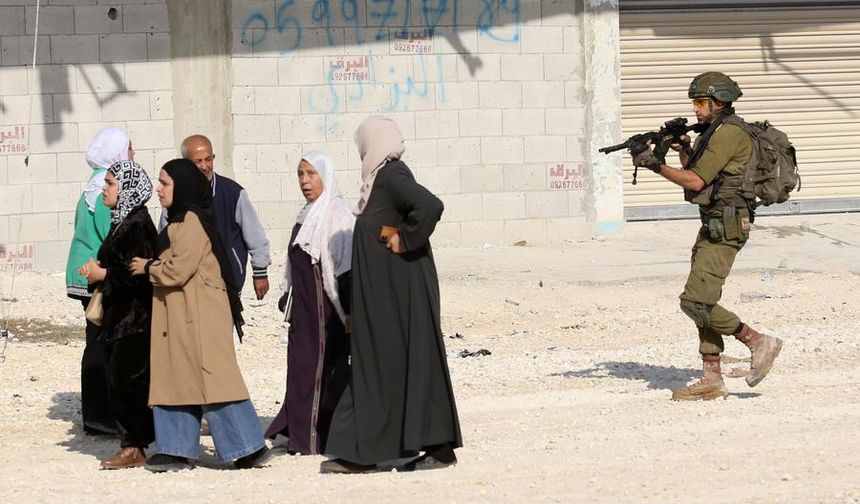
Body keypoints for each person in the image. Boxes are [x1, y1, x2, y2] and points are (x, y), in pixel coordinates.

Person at [630, 71, 784, 401]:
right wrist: (684, 148)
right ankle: (712, 376)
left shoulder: (728, 133)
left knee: (695, 302)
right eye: (694, 103)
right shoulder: (714, 132)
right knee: (704, 299)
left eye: (700, 103)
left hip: (726, 227)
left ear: (718, 102)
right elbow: (697, 170)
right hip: (713, 223)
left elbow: (696, 182)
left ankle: (757, 340)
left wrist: (655, 166)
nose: (696, 110)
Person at [321, 116, 462, 474]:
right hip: (391, 290)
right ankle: (437, 446)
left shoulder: (391, 175)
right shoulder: (379, 180)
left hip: (401, 290)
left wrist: (404, 239)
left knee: (380, 360)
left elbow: (430, 205)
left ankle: (361, 452)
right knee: (404, 359)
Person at [129, 159, 271, 472]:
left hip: (200, 317)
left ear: (182, 186)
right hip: (182, 316)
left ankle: (248, 447)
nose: (159, 189)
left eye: (165, 183)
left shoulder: (191, 221)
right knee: (175, 378)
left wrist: (148, 267)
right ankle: (176, 449)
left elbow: (178, 269)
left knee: (215, 381)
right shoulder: (178, 220)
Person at [265, 151, 354, 455]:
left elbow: (344, 266)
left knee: (316, 369)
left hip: (324, 312)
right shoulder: (307, 213)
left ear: (325, 176)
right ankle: (296, 428)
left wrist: (349, 309)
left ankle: (312, 439)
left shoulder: (337, 213)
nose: (304, 181)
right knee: (298, 369)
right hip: (302, 310)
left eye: (311, 173)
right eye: (300, 174)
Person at [78, 160, 156, 469]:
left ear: (126, 189)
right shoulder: (122, 220)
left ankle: (134, 445)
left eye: (111, 183)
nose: (105, 189)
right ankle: (131, 442)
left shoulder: (137, 226)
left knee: (129, 381)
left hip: (134, 320)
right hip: (119, 317)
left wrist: (102, 274)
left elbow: (137, 275)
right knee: (118, 378)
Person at [65, 126, 134, 436]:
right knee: (101, 343)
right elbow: (112, 236)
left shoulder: (93, 184)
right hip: (94, 275)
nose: (133, 154)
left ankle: (99, 415)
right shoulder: (107, 186)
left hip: (86, 272)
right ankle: (101, 415)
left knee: (99, 340)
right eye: (130, 149)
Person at [159, 134, 271, 300]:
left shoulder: (233, 193)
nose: (204, 166)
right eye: (198, 162)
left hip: (226, 282)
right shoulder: (175, 197)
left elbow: (254, 235)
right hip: (188, 285)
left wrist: (260, 272)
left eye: (208, 159)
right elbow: (163, 237)